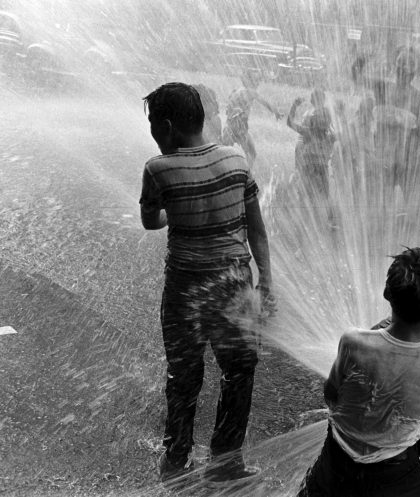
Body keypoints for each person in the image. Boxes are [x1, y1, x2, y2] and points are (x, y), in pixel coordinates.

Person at [139, 82, 273, 487]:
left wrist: (177, 212)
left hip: (185, 289)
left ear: (166, 126)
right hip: (234, 284)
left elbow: (152, 221)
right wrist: (267, 279)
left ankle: (176, 460)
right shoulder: (236, 160)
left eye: (151, 125)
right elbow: (257, 228)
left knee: (184, 376)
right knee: (240, 372)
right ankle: (227, 461)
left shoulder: (157, 169)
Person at [297, 247, 420, 497]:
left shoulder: (354, 341)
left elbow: (330, 395)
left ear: (387, 293)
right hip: (397, 470)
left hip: (338, 462)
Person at [352, 47, 420, 196]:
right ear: (395, 65)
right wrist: (362, 58)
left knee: (411, 205)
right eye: (399, 62)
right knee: (382, 204)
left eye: (407, 63)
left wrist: (414, 159)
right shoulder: (382, 88)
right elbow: (357, 77)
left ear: (414, 70)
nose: (401, 67)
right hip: (382, 159)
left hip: (407, 161)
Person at [222, 71, 283, 165]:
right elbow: (264, 102)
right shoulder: (251, 92)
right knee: (252, 153)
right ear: (249, 81)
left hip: (230, 126)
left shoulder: (236, 91)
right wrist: (276, 112)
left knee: (224, 155)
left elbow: (229, 109)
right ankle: (246, 174)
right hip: (240, 128)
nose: (258, 82)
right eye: (256, 80)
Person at [287, 89, 336, 201]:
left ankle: (327, 212)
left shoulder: (329, 136)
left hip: (319, 168)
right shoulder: (309, 132)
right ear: (314, 122)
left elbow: (344, 137)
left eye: (325, 120)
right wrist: (294, 105)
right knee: (307, 194)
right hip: (309, 167)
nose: (323, 122)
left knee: (323, 195)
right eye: (320, 120)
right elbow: (289, 123)